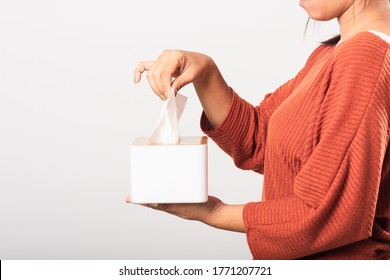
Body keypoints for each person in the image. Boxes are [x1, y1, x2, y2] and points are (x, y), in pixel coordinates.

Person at [129, 0, 390, 259]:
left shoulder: (366, 57)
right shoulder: (334, 54)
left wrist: (212, 212)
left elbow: (329, 210)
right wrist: (205, 73)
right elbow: (260, 140)